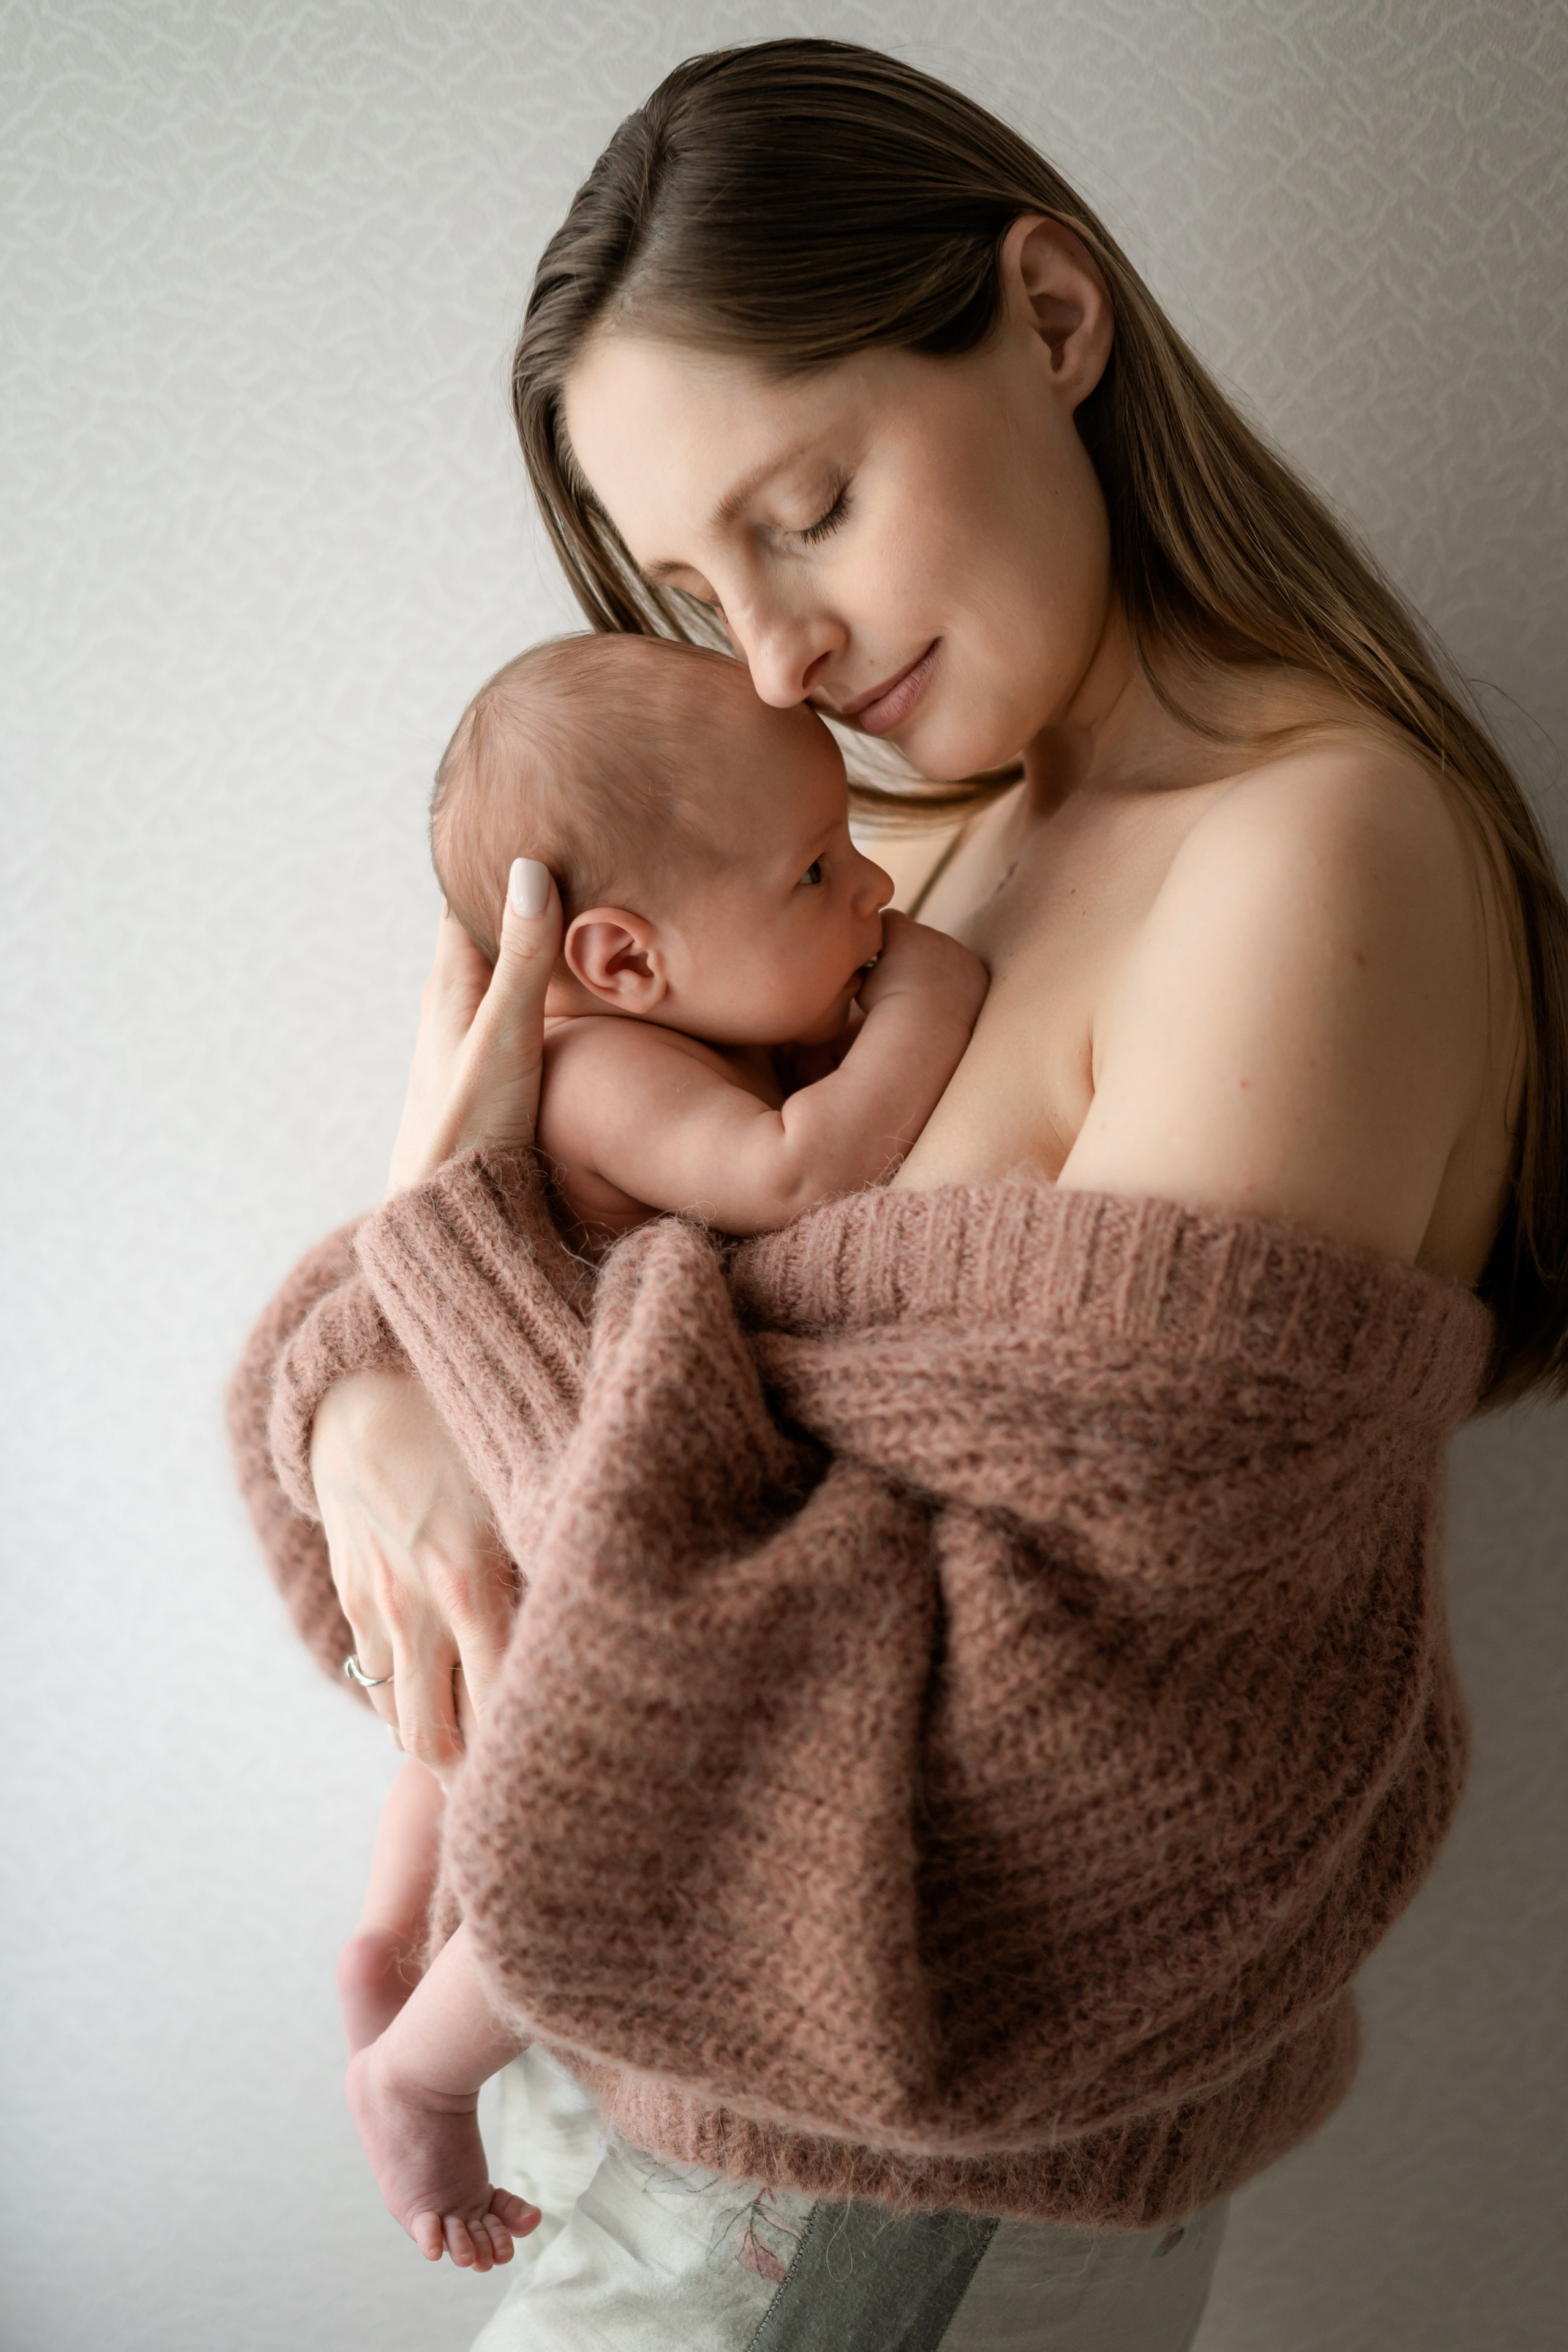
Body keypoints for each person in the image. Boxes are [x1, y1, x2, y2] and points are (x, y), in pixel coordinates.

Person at [228, 38, 1568, 2350]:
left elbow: (1050, 1803)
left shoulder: (1303, 861)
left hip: (854, 2193)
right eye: (682, 577)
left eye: (809, 504)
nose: (772, 658)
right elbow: (433, 1284)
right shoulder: (898, 856)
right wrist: (381, 1406)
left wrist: (459, 1323)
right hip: (612, 2069)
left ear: (1050, 319)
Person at [331, 628, 986, 2267]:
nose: (875, 890)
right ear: (619, 961)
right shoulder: (602, 1069)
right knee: (569, 1818)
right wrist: (934, 986)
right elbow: (798, 1179)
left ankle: (385, 1934)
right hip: (577, 1517)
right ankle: (418, 2069)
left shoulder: (672, 1024)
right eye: (820, 868)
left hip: (532, 1509)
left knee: (463, 1762)